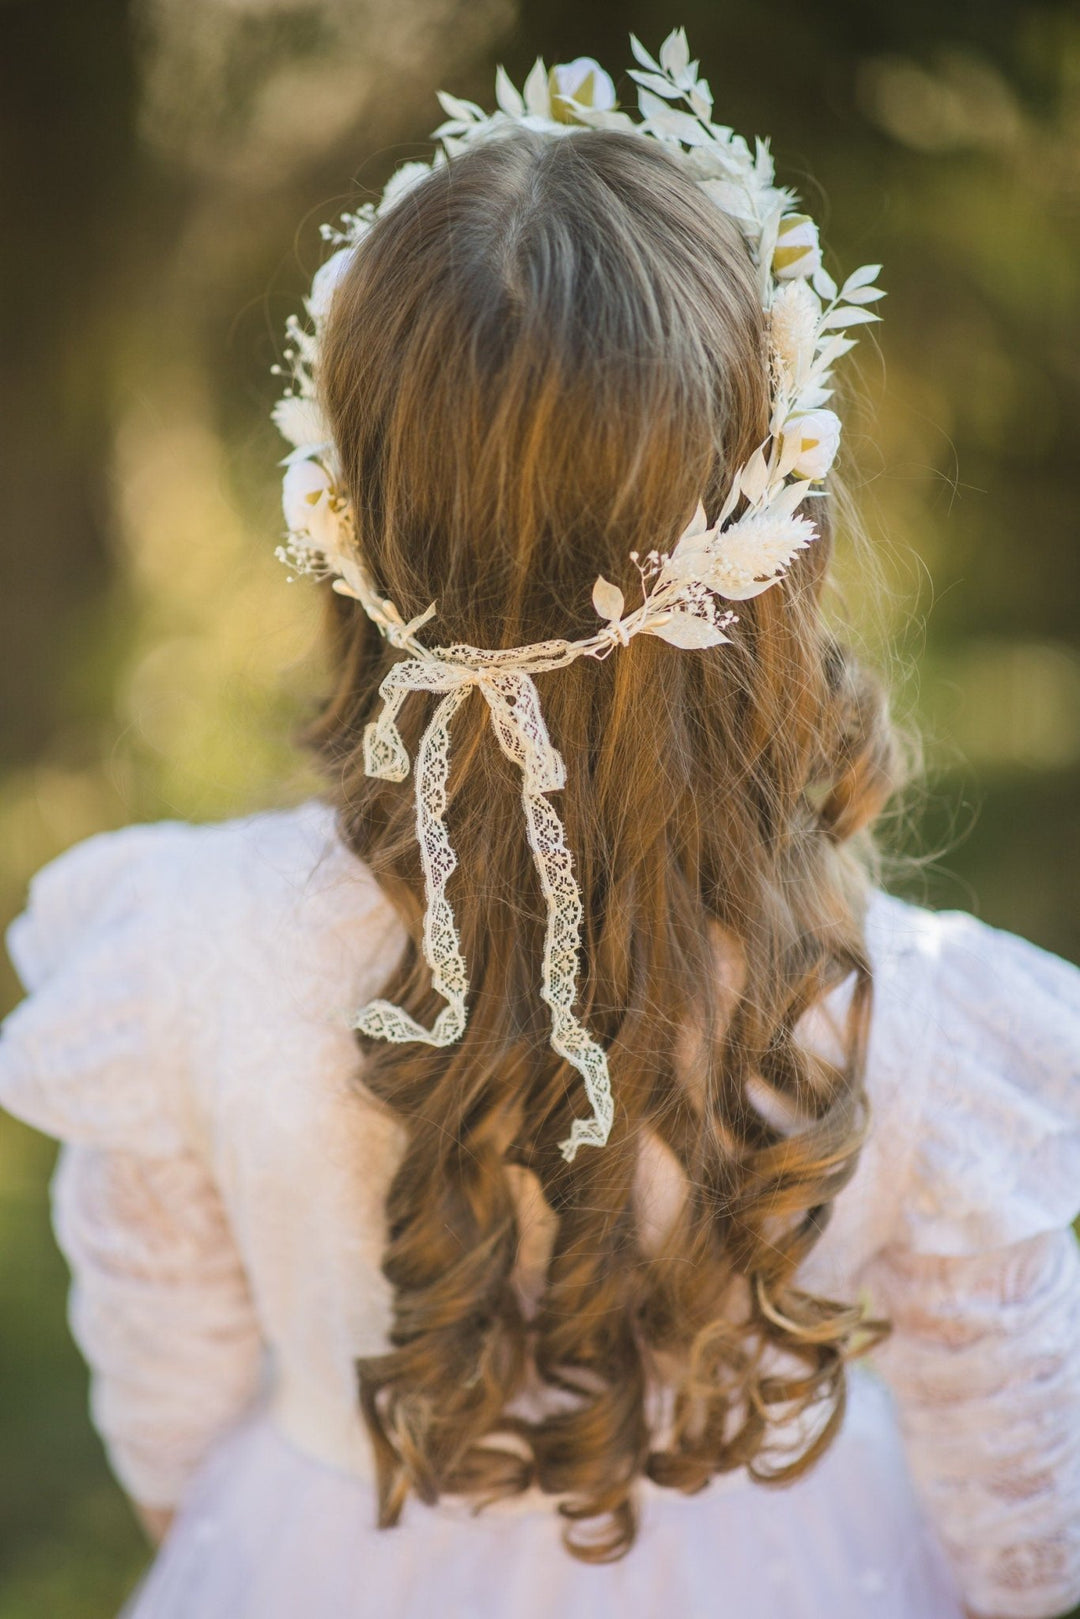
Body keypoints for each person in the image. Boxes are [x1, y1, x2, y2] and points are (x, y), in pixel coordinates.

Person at [1, 34, 1078, 1619]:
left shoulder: (182, 953)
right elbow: (1027, 1532)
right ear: (782, 549)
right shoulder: (906, 1022)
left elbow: (166, 1415)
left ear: (348, 528)